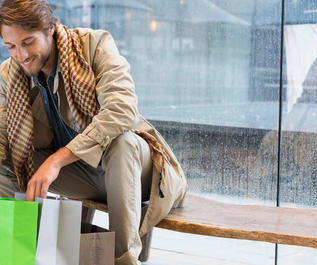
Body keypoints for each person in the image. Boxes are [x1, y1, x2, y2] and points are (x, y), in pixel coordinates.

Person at [0, 0, 187, 264]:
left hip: (137, 174)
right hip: (85, 177)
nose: (21, 55)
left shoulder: (95, 45)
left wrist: (58, 159)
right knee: (7, 155)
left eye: (28, 42)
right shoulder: (10, 75)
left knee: (122, 142)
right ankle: (15, 255)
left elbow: (123, 110)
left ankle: (122, 260)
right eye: (11, 46)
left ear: (50, 28)